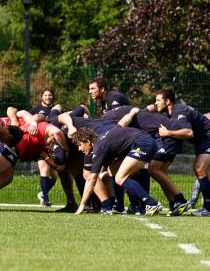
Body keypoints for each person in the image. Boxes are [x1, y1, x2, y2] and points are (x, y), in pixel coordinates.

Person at [73, 126, 163, 216]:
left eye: (80, 145)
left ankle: (152, 204)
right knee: (113, 170)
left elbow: (91, 179)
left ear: (88, 142)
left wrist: (82, 204)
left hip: (143, 144)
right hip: (145, 142)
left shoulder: (99, 147)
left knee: (120, 178)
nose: (79, 149)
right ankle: (119, 207)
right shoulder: (101, 141)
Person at [152, 89, 210, 217]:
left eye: (158, 100)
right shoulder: (169, 114)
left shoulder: (179, 111)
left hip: (207, 138)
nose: (156, 103)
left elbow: (189, 133)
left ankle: (207, 208)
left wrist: (168, 133)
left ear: (167, 101)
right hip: (202, 141)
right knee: (205, 172)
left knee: (199, 168)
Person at [30, 88, 60, 207]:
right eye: (46, 95)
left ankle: (43, 193)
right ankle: (45, 199)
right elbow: (28, 120)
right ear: (41, 97)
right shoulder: (36, 110)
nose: (48, 97)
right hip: (41, 144)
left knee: (54, 175)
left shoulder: (55, 110)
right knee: (45, 170)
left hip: (53, 146)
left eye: (50, 95)